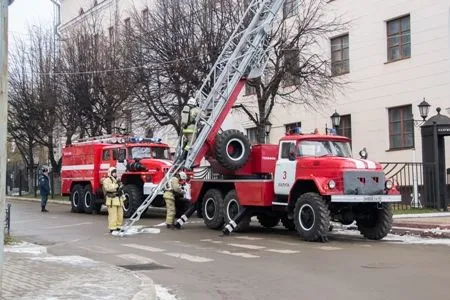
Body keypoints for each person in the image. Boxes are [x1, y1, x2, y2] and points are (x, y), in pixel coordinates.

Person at [102, 167, 124, 233]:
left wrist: (123, 197)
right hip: (112, 200)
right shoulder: (107, 180)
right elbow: (108, 188)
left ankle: (118, 227)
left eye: (116, 172)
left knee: (120, 215)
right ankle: (112, 228)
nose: (115, 174)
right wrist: (117, 185)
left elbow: (121, 190)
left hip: (119, 200)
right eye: (114, 172)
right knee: (113, 215)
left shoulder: (117, 180)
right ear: (110, 173)